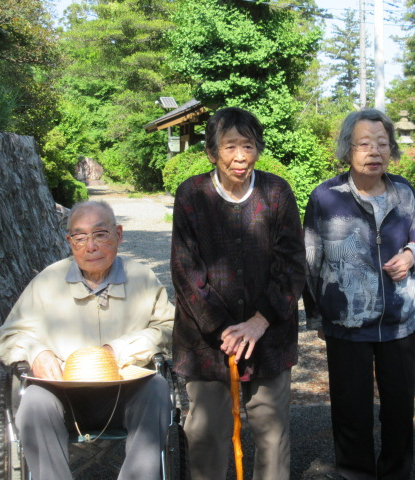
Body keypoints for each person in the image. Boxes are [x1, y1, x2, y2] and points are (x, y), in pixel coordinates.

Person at [170, 107, 306, 480]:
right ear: (212, 152)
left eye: (248, 145)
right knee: (207, 435)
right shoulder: (191, 195)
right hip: (205, 340)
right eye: (230, 146)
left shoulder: (276, 191)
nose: (240, 156)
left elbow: (292, 263)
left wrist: (257, 323)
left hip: (270, 335)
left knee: (272, 435)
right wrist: (226, 330)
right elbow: (186, 271)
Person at [0, 200, 174, 480]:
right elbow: (8, 334)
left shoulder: (142, 278)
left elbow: (169, 326)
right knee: (33, 401)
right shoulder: (47, 282)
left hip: (124, 395)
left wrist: (119, 350)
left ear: (119, 234)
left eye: (100, 234)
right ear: (69, 241)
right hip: (62, 398)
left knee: (157, 387)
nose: (90, 246)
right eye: (80, 237)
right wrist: (37, 352)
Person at [303, 109, 415, 479]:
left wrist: (410, 255)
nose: (374, 151)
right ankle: (355, 474)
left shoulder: (404, 192)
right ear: (348, 149)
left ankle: (395, 474)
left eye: (382, 143)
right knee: (351, 409)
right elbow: (310, 260)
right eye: (364, 143)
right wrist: (317, 317)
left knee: (400, 410)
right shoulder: (326, 197)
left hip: (399, 320)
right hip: (346, 322)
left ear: (391, 150)